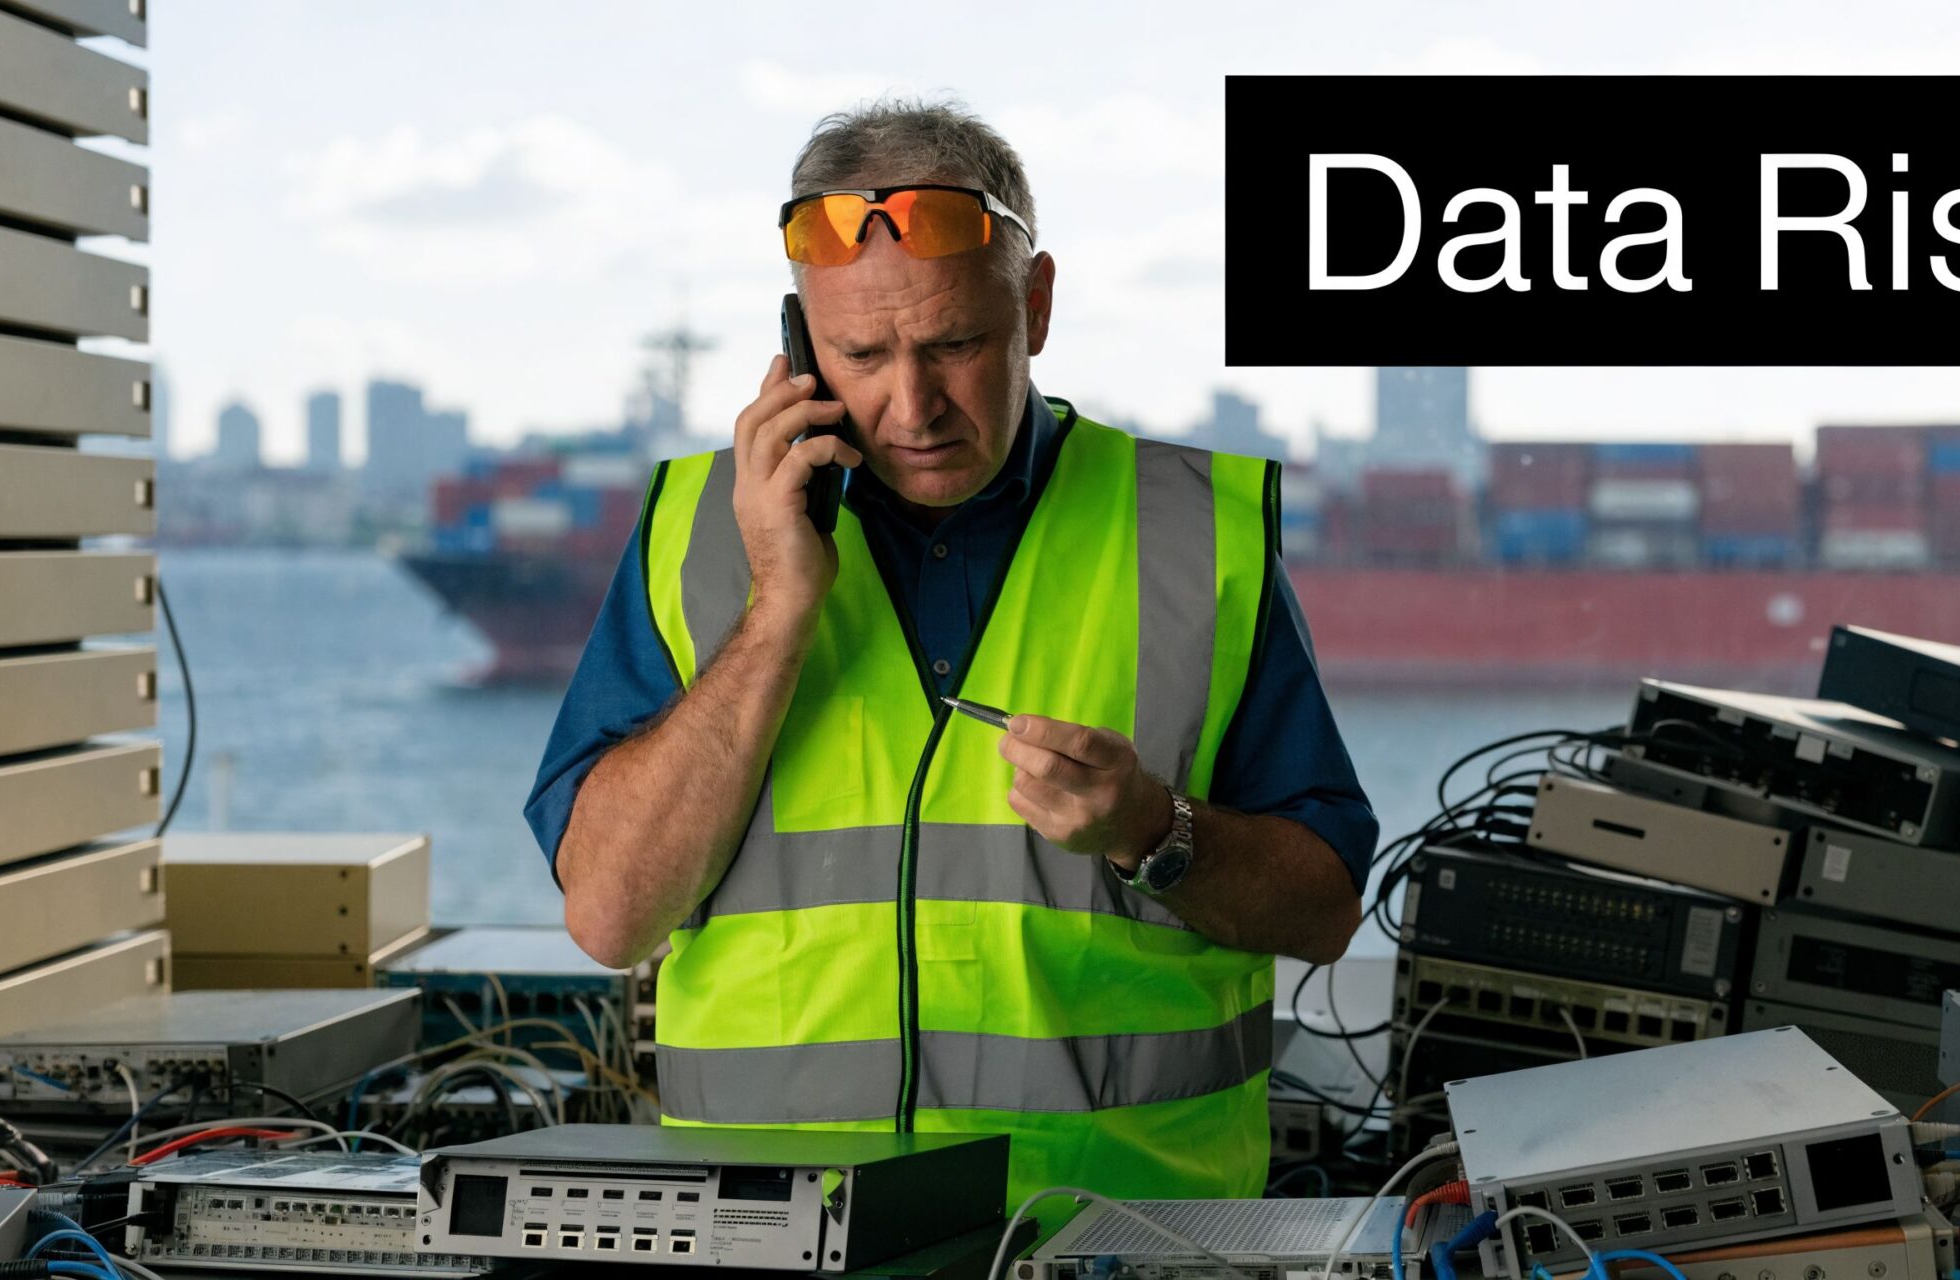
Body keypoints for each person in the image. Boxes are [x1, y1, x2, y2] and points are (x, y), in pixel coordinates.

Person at [525, 99, 1375, 1205]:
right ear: (797, 343)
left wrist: (1150, 830)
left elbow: (1322, 910)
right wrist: (780, 604)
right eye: (860, 353)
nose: (910, 404)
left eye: (955, 344)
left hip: (1124, 1235)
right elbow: (609, 913)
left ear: (1036, 302)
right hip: (773, 1233)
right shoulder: (699, 532)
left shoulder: (1191, 531)